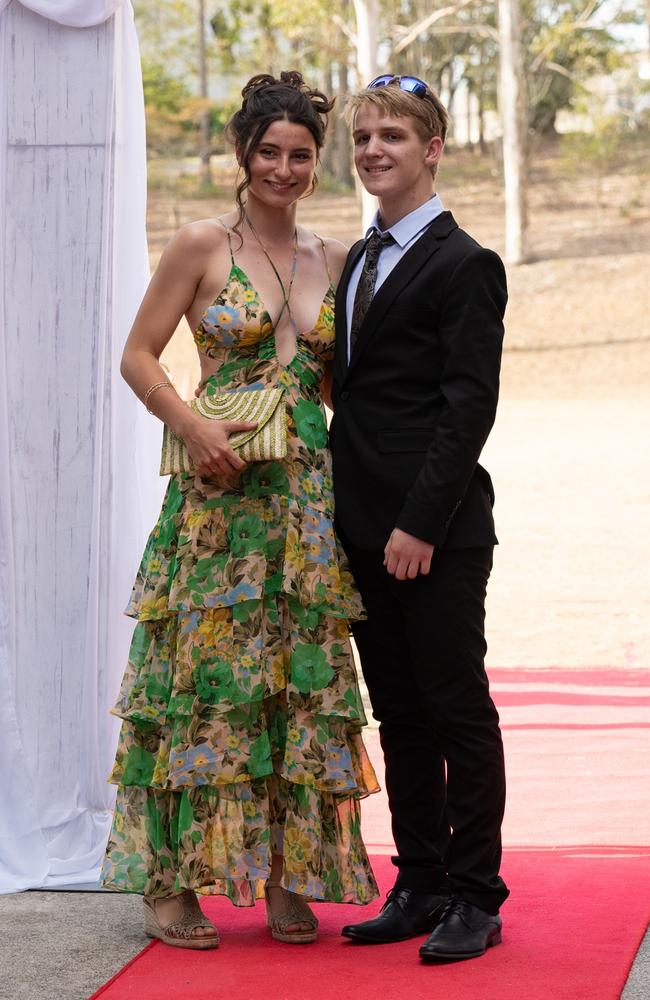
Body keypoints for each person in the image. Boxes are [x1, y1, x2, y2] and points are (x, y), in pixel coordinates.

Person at [101, 71, 379, 950]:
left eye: (301, 155)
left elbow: (338, 384)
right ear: (242, 153)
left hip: (301, 504)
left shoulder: (336, 258)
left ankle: (288, 876)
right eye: (271, 152)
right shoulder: (199, 244)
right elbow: (138, 355)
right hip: (217, 506)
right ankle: (171, 884)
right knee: (203, 690)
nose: (286, 169)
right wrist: (190, 421)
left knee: (294, 690)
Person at [330, 75, 509, 961]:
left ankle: (478, 895)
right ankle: (423, 880)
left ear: (431, 149)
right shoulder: (359, 259)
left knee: (455, 709)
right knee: (398, 713)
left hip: (433, 530)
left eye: (392, 137)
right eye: (363, 136)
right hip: (359, 524)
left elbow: (467, 407)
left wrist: (421, 522)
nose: (373, 150)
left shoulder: (466, 263)